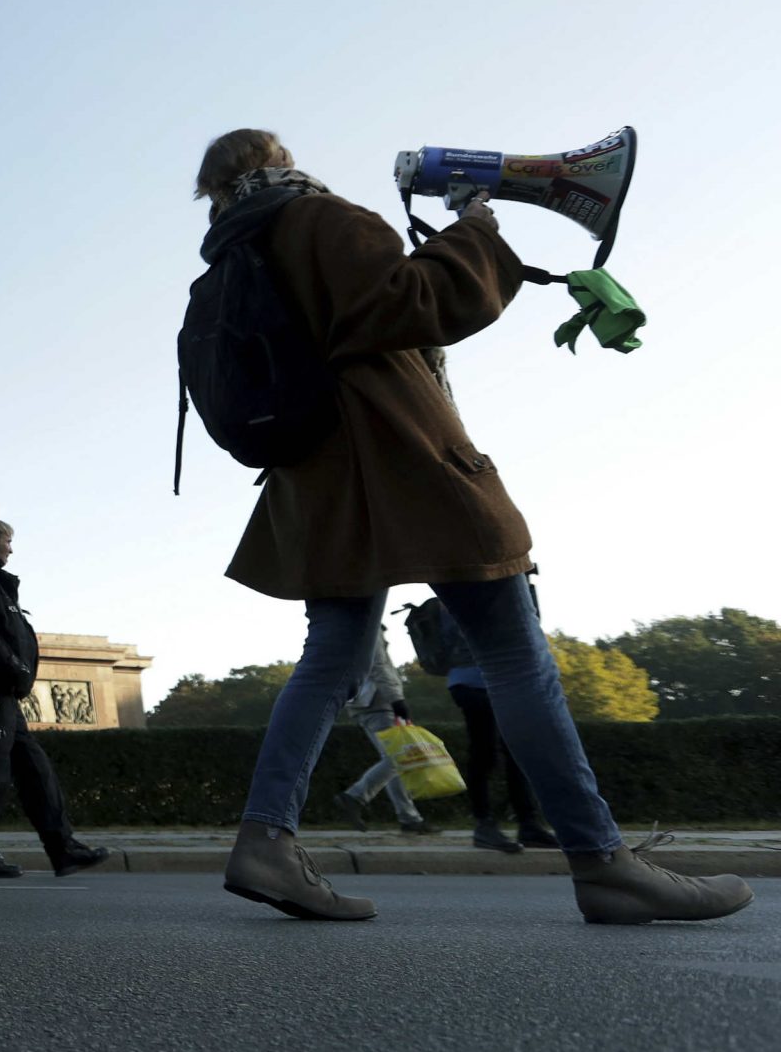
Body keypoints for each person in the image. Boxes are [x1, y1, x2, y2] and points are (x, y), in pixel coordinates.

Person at [196, 129, 750, 924]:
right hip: (405, 461)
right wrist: (474, 233)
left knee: (330, 661)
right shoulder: (319, 220)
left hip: (318, 484)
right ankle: (603, 861)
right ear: (279, 158)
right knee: (516, 656)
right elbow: (409, 305)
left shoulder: (229, 256)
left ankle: (266, 841)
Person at [0, 518, 112, 879]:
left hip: (2, 691)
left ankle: (62, 849)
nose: (11, 548)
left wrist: (16, 669)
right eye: (7, 541)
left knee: (35, 771)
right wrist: (15, 666)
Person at [440, 608, 554, 854]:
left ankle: (526, 824)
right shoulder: (469, 588)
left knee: (515, 754)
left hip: (498, 682)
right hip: (475, 683)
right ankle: (486, 825)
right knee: (486, 752)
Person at [330, 630, 434, 835]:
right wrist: (396, 699)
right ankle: (355, 796)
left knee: (393, 760)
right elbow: (379, 665)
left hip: (365, 703)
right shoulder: (370, 625)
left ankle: (409, 818)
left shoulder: (351, 628)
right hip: (378, 702)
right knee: (400, 756)